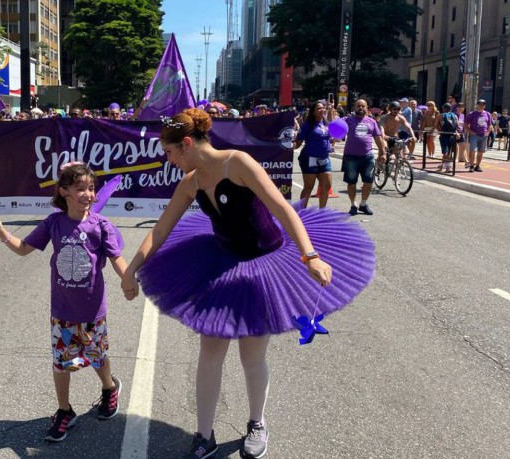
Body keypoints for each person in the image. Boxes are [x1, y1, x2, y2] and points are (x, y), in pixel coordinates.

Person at [121, 108, 373, 459]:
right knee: (210, 353)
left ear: (187, 144)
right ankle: (204, 435)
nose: (168, 159)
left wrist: (310, 255)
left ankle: (257, 422)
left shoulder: (237, 163)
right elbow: (160, 229)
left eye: (169, 152)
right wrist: (131, 268)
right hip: (221, 265)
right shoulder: (191, 182)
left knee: (252, 356)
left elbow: (283, 210)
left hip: (263, 265)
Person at [0, 162, 128, 442]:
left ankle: (109, 389)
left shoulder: (101, 225)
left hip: (92, 311)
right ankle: (65, 411)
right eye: (80, 189)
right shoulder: (54, 223)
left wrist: (128, 279)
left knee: (97, 356)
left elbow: (116, 258)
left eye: (91, 188)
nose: (88, 194)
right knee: (62, 363)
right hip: (62, 312)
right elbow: (24, 249)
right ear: (63, 192)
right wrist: (1, 232)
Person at [345, 99, 387, 216]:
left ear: (367, 108)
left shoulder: (372, 122)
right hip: (351, 156)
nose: (360, 108)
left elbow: (378, 138)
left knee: (368, 181)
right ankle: (353, 204)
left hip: (367, 157)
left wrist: (383, 152)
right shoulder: (348, 120)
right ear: (354, 108)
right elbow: (335, 125)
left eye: (363, 106)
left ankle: (363, 204)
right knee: (351, 182)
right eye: (358, 106)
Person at [294, 101, 333, 209]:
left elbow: (331, 135)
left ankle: (322, 213)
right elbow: (299, 141)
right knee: (308, 187)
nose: (322, 110)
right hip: (309, 159)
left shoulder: (326, 123)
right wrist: (290, 147)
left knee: (327, 186)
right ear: (313, 112)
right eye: (319, 108)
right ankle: (301, 213)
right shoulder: (308, 125)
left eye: (323, 108)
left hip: (324, 159)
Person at [465, 100, 493, 173]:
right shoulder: (472, 114)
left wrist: (487, 132)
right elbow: (466, 124)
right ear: (477, 105)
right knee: (473, 151)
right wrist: (470, 132)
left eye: (483, 104)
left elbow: (490, 125)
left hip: (483, 136)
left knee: (480, 152)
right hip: (474, 135)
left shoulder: (488, 114)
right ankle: (471, 166)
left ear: (485, 106)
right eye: (480, 104)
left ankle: (477, 166)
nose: (481, 106)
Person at [438, 103, 460, 172]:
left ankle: (447, 166)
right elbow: (457, 126)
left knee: (446, 152)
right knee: (448, 151)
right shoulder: (455, 116)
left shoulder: (441, 115)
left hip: (444, 135)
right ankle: (442, 165)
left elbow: (435, 125)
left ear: (443, 108)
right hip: (452, 135)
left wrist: (439, 130)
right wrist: (456, 133)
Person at [454, 103, 470, 168]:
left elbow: (464, 124)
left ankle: (466, 162)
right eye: (460, 107)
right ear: (457, 108)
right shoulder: (454, 115)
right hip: (454, 133)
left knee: (463, 147)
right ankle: (455, 159)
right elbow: (453, 124)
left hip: (461, 133)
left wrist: (463, 130)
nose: (462, 109)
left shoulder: (463, 115)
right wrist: (456, 132)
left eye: (463, 108)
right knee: (455, 147)